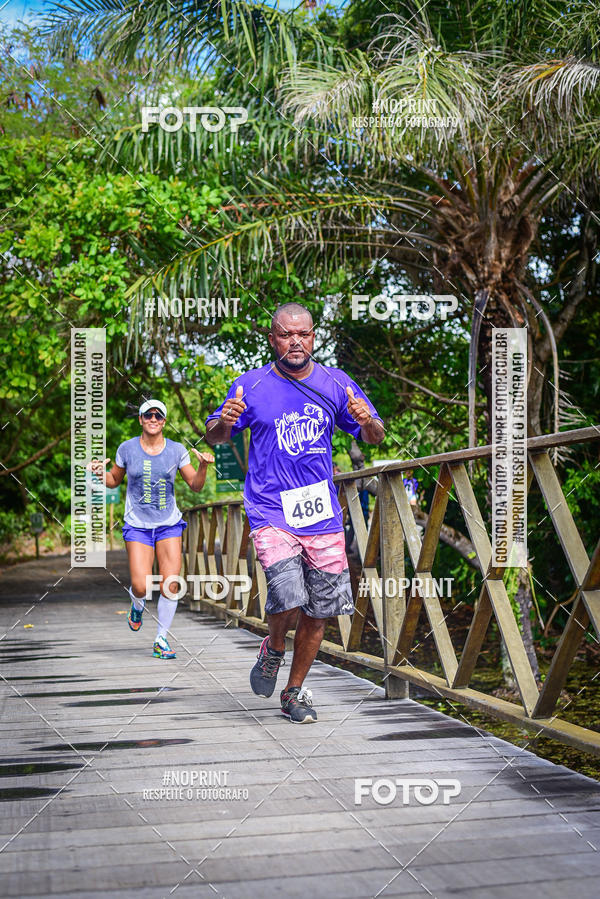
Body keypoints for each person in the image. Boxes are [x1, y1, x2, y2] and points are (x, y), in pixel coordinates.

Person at [205, 303, 384, 722]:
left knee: (321, 608)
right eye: (286, 334)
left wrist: (367, 420)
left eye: (302, 334)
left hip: (320, 512)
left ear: (313, 337)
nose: (295, 341)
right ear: (273, 339)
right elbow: (215, 434)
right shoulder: (251, 385)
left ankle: (294, 691)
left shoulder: (336, 383)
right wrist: (223, 423)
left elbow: (374, 435)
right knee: (287, 592)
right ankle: (274, 648)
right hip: (270, 508)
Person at [91, 399, 214, 659]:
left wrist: (203, 466)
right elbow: (114, 481)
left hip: (168, 524)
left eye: (159, 415)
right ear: (141, 419)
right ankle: (137, 606)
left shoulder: (177, 450)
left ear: (164, 421)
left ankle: (161, 639)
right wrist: (100, 473)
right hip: (138, 526)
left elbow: (195, 485)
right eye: (148, 415)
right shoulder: (127, 449)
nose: (154, 418)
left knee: (170, 584)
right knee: (140, 585)